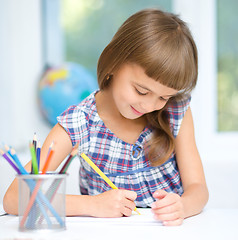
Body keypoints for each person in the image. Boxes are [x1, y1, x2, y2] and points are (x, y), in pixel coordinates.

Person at [3, 8, 209, 226]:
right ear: (114, 64)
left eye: (163, 97)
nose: (150, 106)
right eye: (141, 91)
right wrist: (92, 205)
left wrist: (183, 206)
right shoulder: (80, 122)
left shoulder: (176, 112)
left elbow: (198, 189)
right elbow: (14, 199)